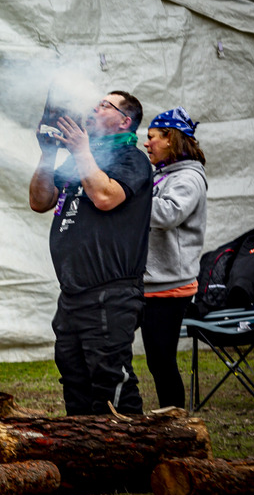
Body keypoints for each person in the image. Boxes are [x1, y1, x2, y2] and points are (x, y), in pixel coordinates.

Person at [29, 90, 152, 416]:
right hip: (72, 294)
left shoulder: (132, 159)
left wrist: (81, 149)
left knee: (111, 380)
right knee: (74, 377)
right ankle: (86, 455)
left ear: (124, 121)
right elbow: (40, 201)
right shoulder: (78, 160)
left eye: (104, 105)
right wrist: (48, 155)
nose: (94, 109)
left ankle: (130, 456)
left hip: (111, 293)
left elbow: (105, 197)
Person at [141, 107, 208, 409]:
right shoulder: (164, 174)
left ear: (170, 139)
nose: (147, 144)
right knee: (153, 359)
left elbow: (168, 213)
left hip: (169, 285)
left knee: (161, 360)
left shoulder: (189, 178)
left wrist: (127, 200)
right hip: (150, 283)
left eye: (152, 137)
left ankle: (177, 425)